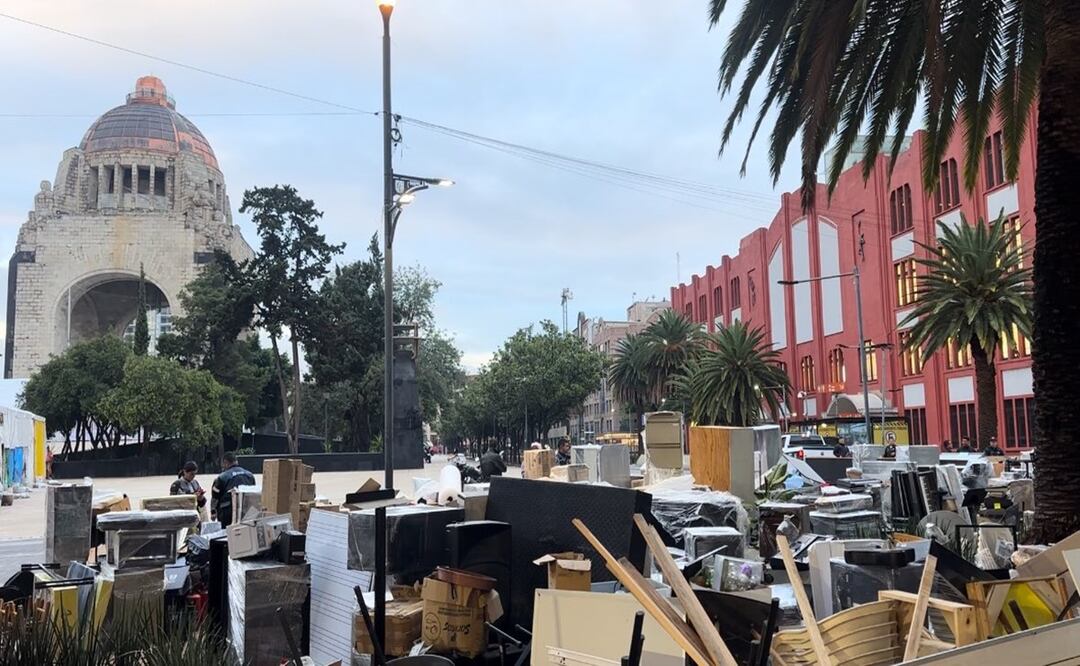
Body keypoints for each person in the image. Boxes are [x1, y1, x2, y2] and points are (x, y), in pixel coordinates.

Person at [212, 452, 255, 528]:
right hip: (247, 513)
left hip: (227, 514)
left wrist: (213, 512)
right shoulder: (250, 475)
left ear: (225, 462)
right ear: (236, 461)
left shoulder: (222, 477)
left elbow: (215, 497)